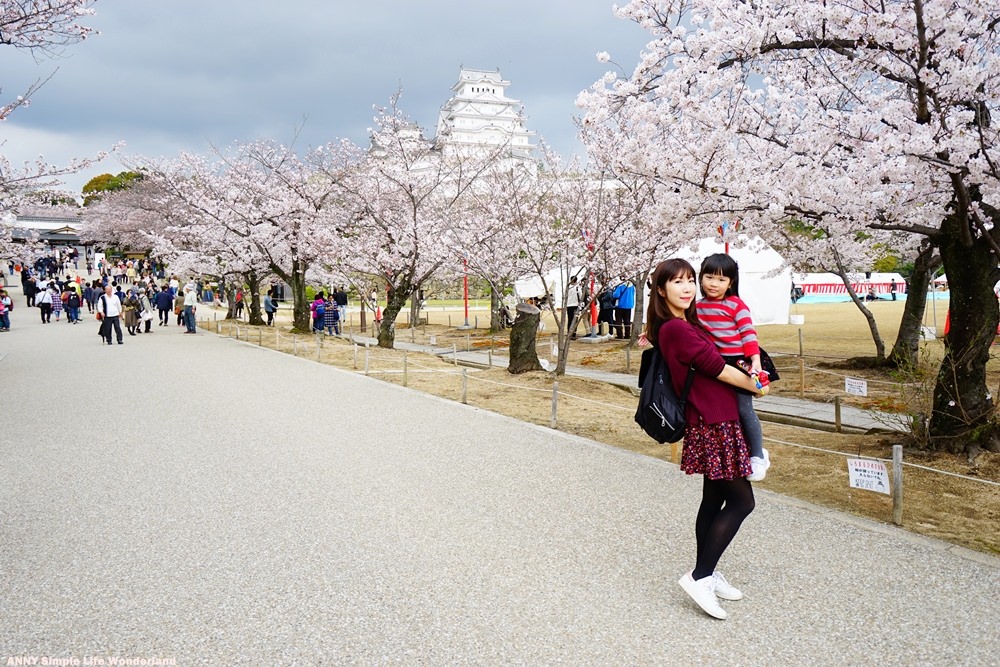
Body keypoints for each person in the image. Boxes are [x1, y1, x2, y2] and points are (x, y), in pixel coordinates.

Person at [646, 258, 766, 621]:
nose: (687, 288)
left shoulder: (687, 322)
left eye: (689, 281)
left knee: (713, 500)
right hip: (713, 420)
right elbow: (716, 368)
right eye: (677, 282)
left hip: (718, 417)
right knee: (743, 502)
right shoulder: (676, 330)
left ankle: (708, 572)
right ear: (661, 289)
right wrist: (757, 386)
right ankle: (699, 576)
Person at [696, 253, 769, 481]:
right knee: (725, 411)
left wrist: (755, 362)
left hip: (739, 361)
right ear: (701, 278)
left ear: (731, 282)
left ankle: (758, 455)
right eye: (709, 277)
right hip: (715, 365)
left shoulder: (736, 305)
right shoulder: (697, 307)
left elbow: (748, 334)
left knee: (743, 409)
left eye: (721, 279)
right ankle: (737, 452)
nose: (714, 284)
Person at [565, 275, 582, 340]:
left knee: (570, 319)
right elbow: (580, 296)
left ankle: (569, 333)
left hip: (568, 305)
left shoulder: (567, 287)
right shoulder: (577, 287)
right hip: (575, 305)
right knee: (575, 320)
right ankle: (573, 334)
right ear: (576, 281)